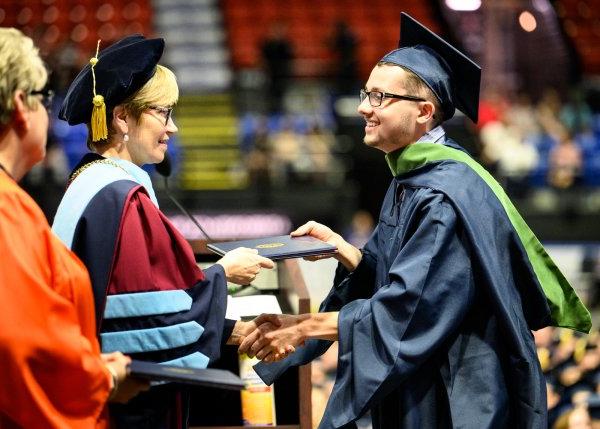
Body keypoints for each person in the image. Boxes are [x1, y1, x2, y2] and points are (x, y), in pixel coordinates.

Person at [238, 13, 591, 428]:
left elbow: (406, 312)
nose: (362, 108)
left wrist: (300, 328)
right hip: (429, 380)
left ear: (424, 111)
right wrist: (350, 254)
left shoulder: (443, 194)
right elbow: (407, 279)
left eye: (380, 98)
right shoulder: (413, 177)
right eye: (366, 93)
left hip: (458, 394)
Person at [51, 35, 282, 428]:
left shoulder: (88, 182)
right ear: (122, 117)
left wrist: (235, 330)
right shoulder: (124, 200)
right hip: (125, 409)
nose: (172, 128)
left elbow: (133, 316)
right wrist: (225, 273)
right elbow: (145, 330)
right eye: (163, 112)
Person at [0, 28, 147, 428]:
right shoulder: (6, 212)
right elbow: (20, 344)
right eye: (42, 99)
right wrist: (101, 376)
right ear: (19, 104)